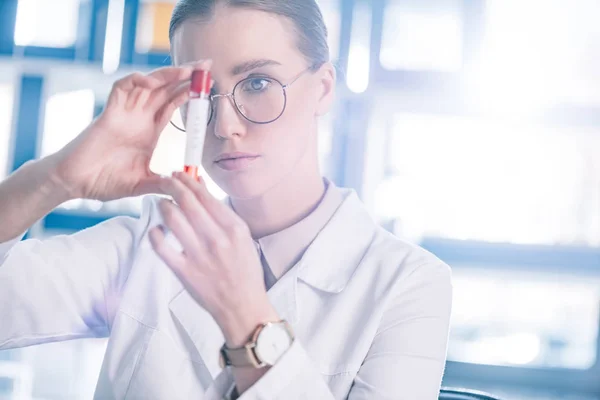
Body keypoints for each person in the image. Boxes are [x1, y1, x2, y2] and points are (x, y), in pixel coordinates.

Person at [0, 0, 453, 399]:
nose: (222, 126)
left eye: (257, 83)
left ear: (322, 89)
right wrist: (54, 179)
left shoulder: (409, 285)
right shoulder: (152, 243)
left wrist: (244, 314)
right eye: (202, 97)